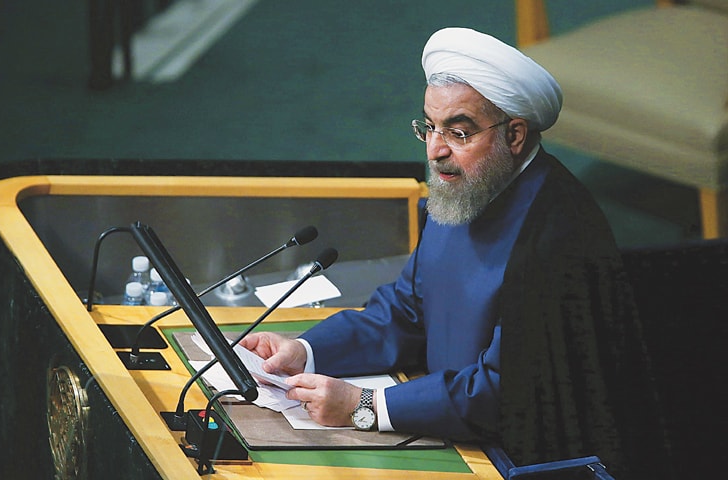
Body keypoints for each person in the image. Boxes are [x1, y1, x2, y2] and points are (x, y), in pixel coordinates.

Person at [241, 27, 669, 478]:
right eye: (429, 127)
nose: (436, 150)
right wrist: (305, 352)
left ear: (516, 135)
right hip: (453, 432)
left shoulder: (554, 240)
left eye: (459, 132)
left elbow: (503, 393)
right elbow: (407, 310)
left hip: (520, 459)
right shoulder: (465, 187)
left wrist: (363, 406)